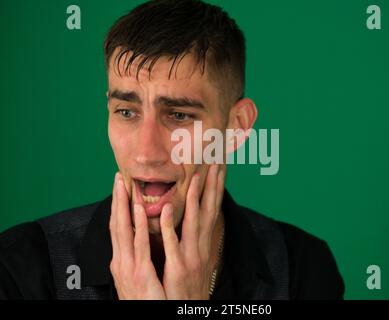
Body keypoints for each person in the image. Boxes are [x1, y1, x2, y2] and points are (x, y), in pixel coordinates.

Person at [0, 0, 344, 300]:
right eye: (126, 112)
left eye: (179, 115)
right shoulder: (21, 268)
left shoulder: (303, 269)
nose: (147, 153)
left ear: (236, 126)